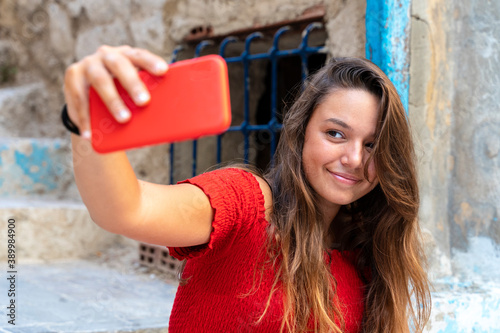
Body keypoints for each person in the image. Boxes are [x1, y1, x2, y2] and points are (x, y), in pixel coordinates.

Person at [63, 45, 431, 332]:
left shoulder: (370, 247)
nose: (354, 158)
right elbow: (128, 209)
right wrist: (86, 121)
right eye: (336, 134)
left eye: (372, 145)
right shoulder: (246, 204)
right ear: (301, 134)